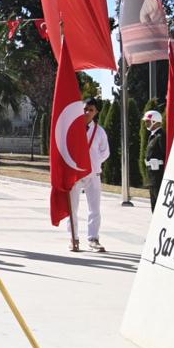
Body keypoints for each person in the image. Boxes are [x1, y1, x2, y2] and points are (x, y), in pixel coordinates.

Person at [73, 98, 110, 253]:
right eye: (85, 109)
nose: (87, 112)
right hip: (75, 173)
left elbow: (105, 152)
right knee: (73, 207)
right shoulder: (73, 129)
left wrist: (93, 163)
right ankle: (73, 237)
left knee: (94, 208)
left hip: (93, 174)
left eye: (91, 110)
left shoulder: (99, 131)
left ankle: (93, 238)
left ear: (96, 112)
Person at [143, 109, 166, 210]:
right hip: (152, 175)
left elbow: (165, 154)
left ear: (155, 122)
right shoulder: (153, 136)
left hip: (158, 176)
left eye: (148, 121)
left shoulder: (161, 136)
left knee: (158, 204)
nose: (146, 124)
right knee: (154, 204)